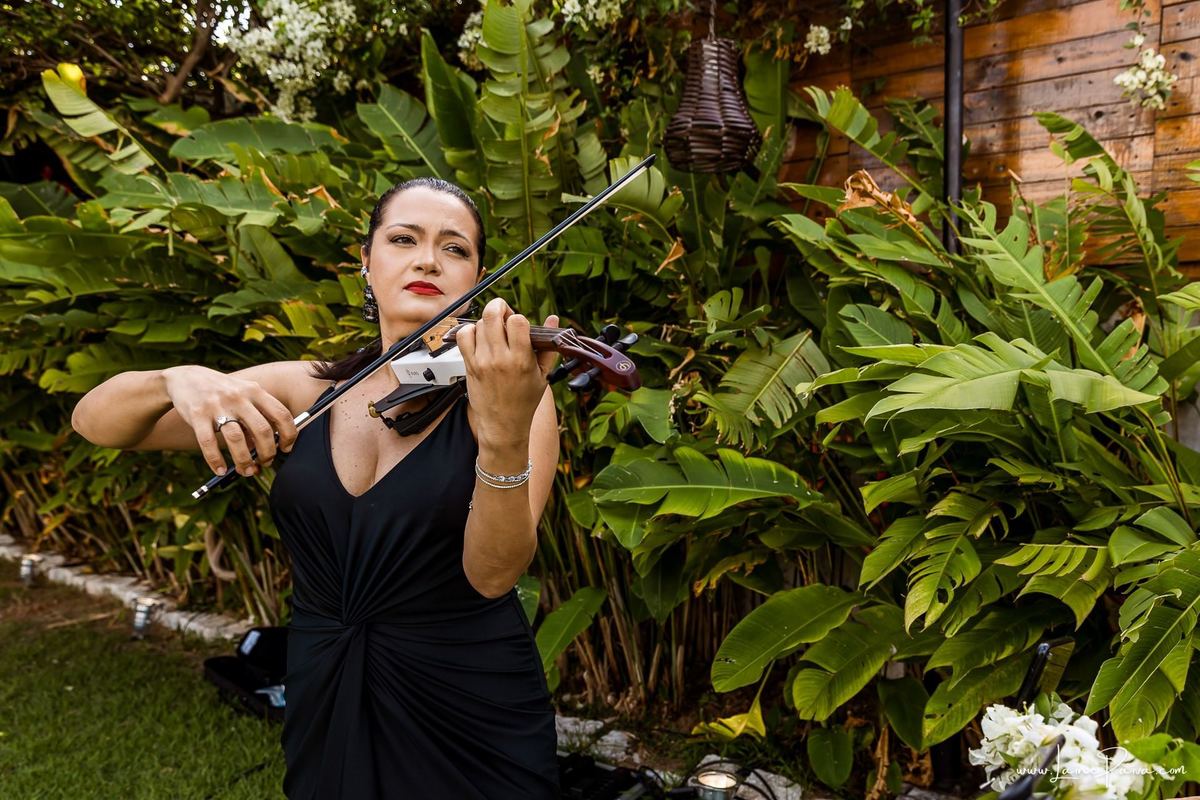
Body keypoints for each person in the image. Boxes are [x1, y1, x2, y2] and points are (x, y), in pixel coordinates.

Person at [70, 177, 562, 799]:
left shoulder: (517, 396)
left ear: (478, 275)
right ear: (367, 262)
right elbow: (96, 423)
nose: (428, 260)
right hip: (326, 675)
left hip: (466, 691)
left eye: (455, 248)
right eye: (403, 238)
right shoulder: (306, 390)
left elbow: (494, 575)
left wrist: (500, 435)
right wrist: (178, 379)